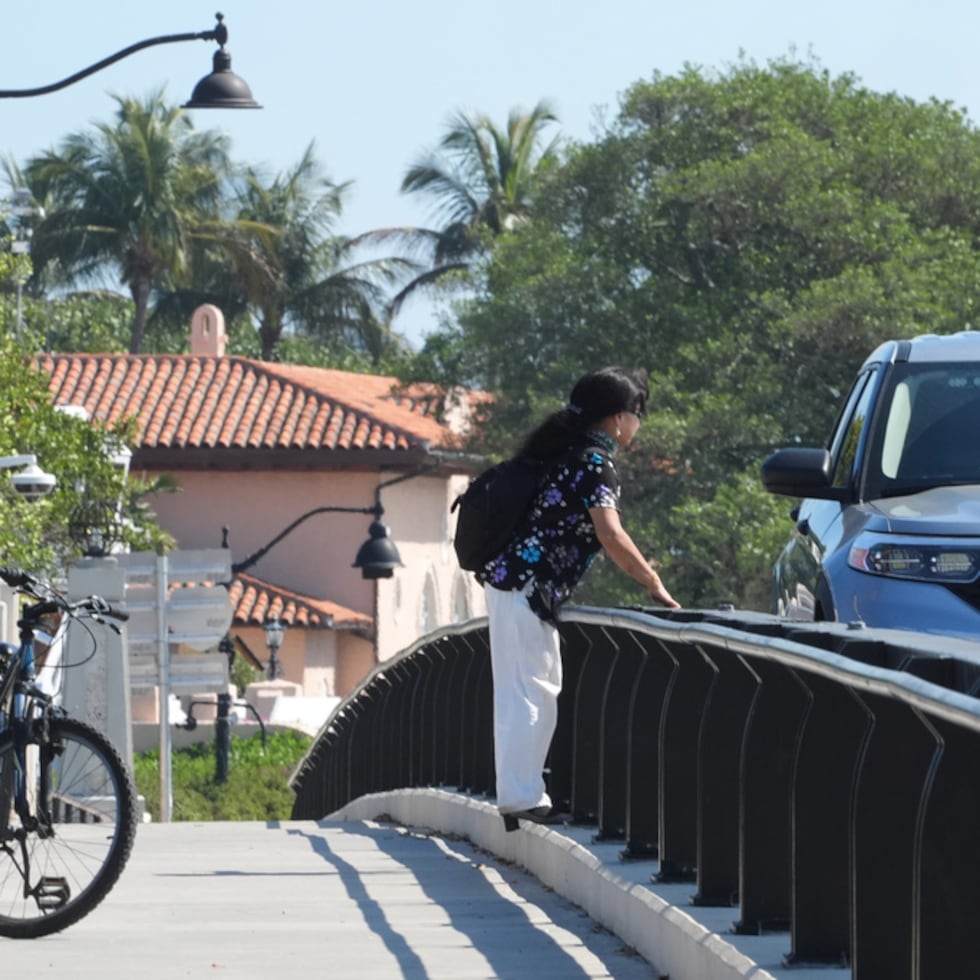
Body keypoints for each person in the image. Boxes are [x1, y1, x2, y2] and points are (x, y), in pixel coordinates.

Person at [477, 366, 680, 831]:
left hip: (514, 580)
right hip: (528, 583)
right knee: (534, 689)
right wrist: (652, 582)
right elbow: (610, 533)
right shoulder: (592, 463)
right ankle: (522, 797)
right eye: (637, 413)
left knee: (524, 687)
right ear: (615, 419)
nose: (638, 423)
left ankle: (519, 795)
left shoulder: (567, 454)